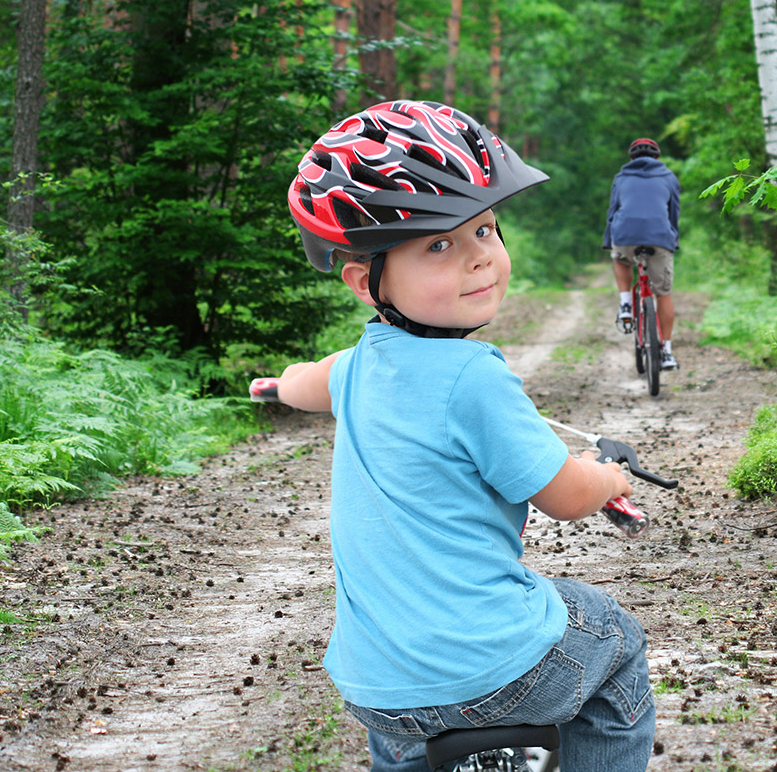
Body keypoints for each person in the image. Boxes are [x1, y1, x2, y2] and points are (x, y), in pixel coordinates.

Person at [260, 101, 655, 772]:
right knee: (615, 642)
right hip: (493, 669)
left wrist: (271, 385)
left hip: (376, 686)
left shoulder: (355, 368)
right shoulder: (474, 377)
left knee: (404, 740)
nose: (480, 260)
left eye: (486, 230)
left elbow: (305, 381)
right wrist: (609, 476)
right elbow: (563, 494)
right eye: (440, 245)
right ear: (366, 281)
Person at [603, 137, 681, 370]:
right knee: (663, 294)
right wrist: (672, 239)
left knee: (619, 257)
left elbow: (613, 211)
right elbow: (673, 213)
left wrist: (610, 241)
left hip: (625, 235)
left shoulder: (621, 177)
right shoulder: (669, 177)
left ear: (631, 158)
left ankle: (626, 303)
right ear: (657, 157)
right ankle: (666, 352)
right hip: (659, 236)